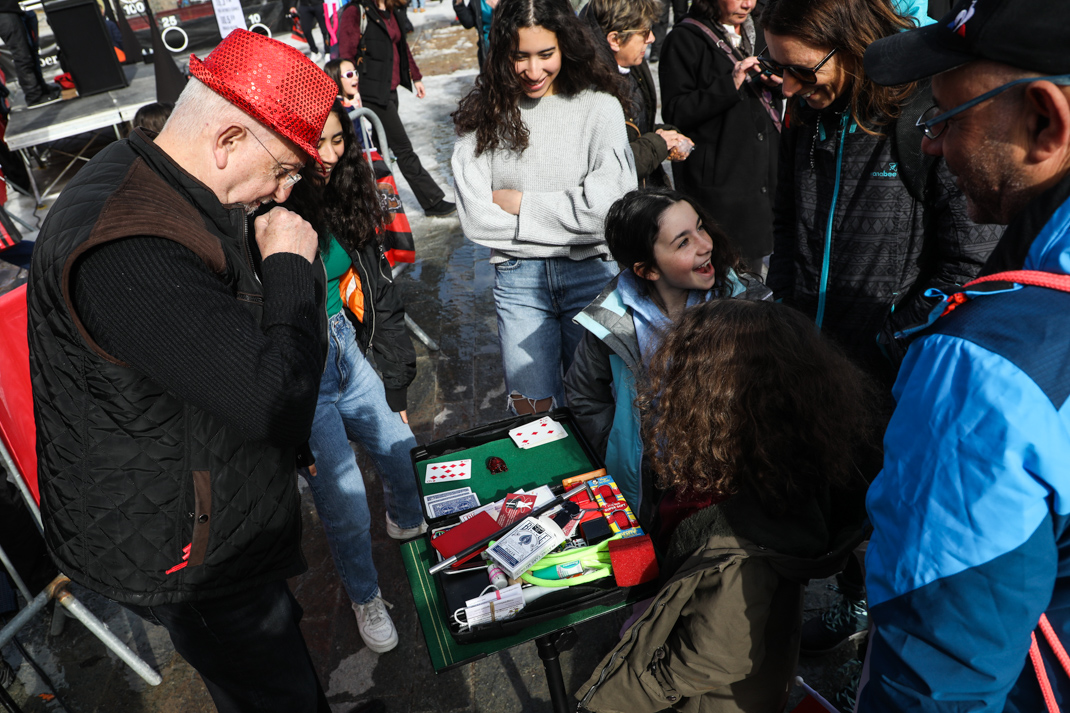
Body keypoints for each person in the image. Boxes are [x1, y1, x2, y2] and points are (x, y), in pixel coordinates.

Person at [26, 30, 339, 712]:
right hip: (184, 544)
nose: (282, 192)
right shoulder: (130, 245)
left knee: (277, 655)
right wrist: (290, 267)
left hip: (207, 499)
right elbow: (275, 403)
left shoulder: (156, 168)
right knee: (268, 687)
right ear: (227, 140)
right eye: (284, 170)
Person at [855, 0, 1070, 709]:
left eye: (947, 115)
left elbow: (935, 681)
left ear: (1044, 122)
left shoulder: (983, 370)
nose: (932, 144)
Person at [576, 298, 872, 713]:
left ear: (707, 408)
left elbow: (713, 657)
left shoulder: (738, 547)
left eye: (677, 383)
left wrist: (625, 689)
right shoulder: (781, 473)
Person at [285, 100, 427, 654]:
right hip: (303, 370)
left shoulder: (347, 191)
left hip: (349, 346)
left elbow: (381, 293)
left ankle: (405, 523)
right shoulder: (264, 208)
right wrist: (291, 433)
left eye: (337, 140)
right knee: (344, 504)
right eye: (313, 143)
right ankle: (365, 595)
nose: (327, 155)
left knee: (404, 455)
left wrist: (395, 380)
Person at [451, 0, 637, 415]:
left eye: (545, 54)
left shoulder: (600, 108)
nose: (533, 71)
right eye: (520, 56)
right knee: (532, 415)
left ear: (566, 45)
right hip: (517, 282)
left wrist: (521, 204)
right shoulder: (486, 113)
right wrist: (576, 213)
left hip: (592, 277)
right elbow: (476, 219)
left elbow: (608, 213)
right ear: (502, 51)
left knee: (601, 408)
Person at [564, 187, 769, 521]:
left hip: (735, 487)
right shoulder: (612, 319)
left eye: (700, 227)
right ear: (647, 270)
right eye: (683, 242)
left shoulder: (748, 304)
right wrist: (619, 450)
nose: (705, 245)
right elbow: (584, 393)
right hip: (656, 491)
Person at [659, 0, 781, 266]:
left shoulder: (763, 30)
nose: (747, 4)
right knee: (722, 268)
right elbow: (675, 110)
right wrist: (729, 85)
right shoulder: (684, 39)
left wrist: (779, 82)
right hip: (720, 188)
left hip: (764, 180)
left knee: (758, 270)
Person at [338, 0, 457, 216]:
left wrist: (415, 77)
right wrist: (350, 91)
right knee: (403, 148)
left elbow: (403, 49)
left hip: (389, 89)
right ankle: (432, 202)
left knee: (377, 150)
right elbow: (346, 55)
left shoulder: (392, 10)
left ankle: (373, 200)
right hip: (372, 92)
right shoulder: (356, 11)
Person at [582, 0, 693, 187]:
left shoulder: (634, 68)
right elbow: (608, 167)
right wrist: (657, 144)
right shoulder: (588, 89)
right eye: (644, 33)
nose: (651, 39)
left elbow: (634, 129)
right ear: (615, 40)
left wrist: (666, 135)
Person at [0, 0, 60, 107]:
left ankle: (41, 87)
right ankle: (33, 95)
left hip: (19, 9)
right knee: (22, 54)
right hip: (5, 11)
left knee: (32, 52)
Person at [453, 0, 495, 68]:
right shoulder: (478, 1)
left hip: (507, 48)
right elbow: (469, 22)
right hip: (486, 51)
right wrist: (459, 4)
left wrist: (499, 8)